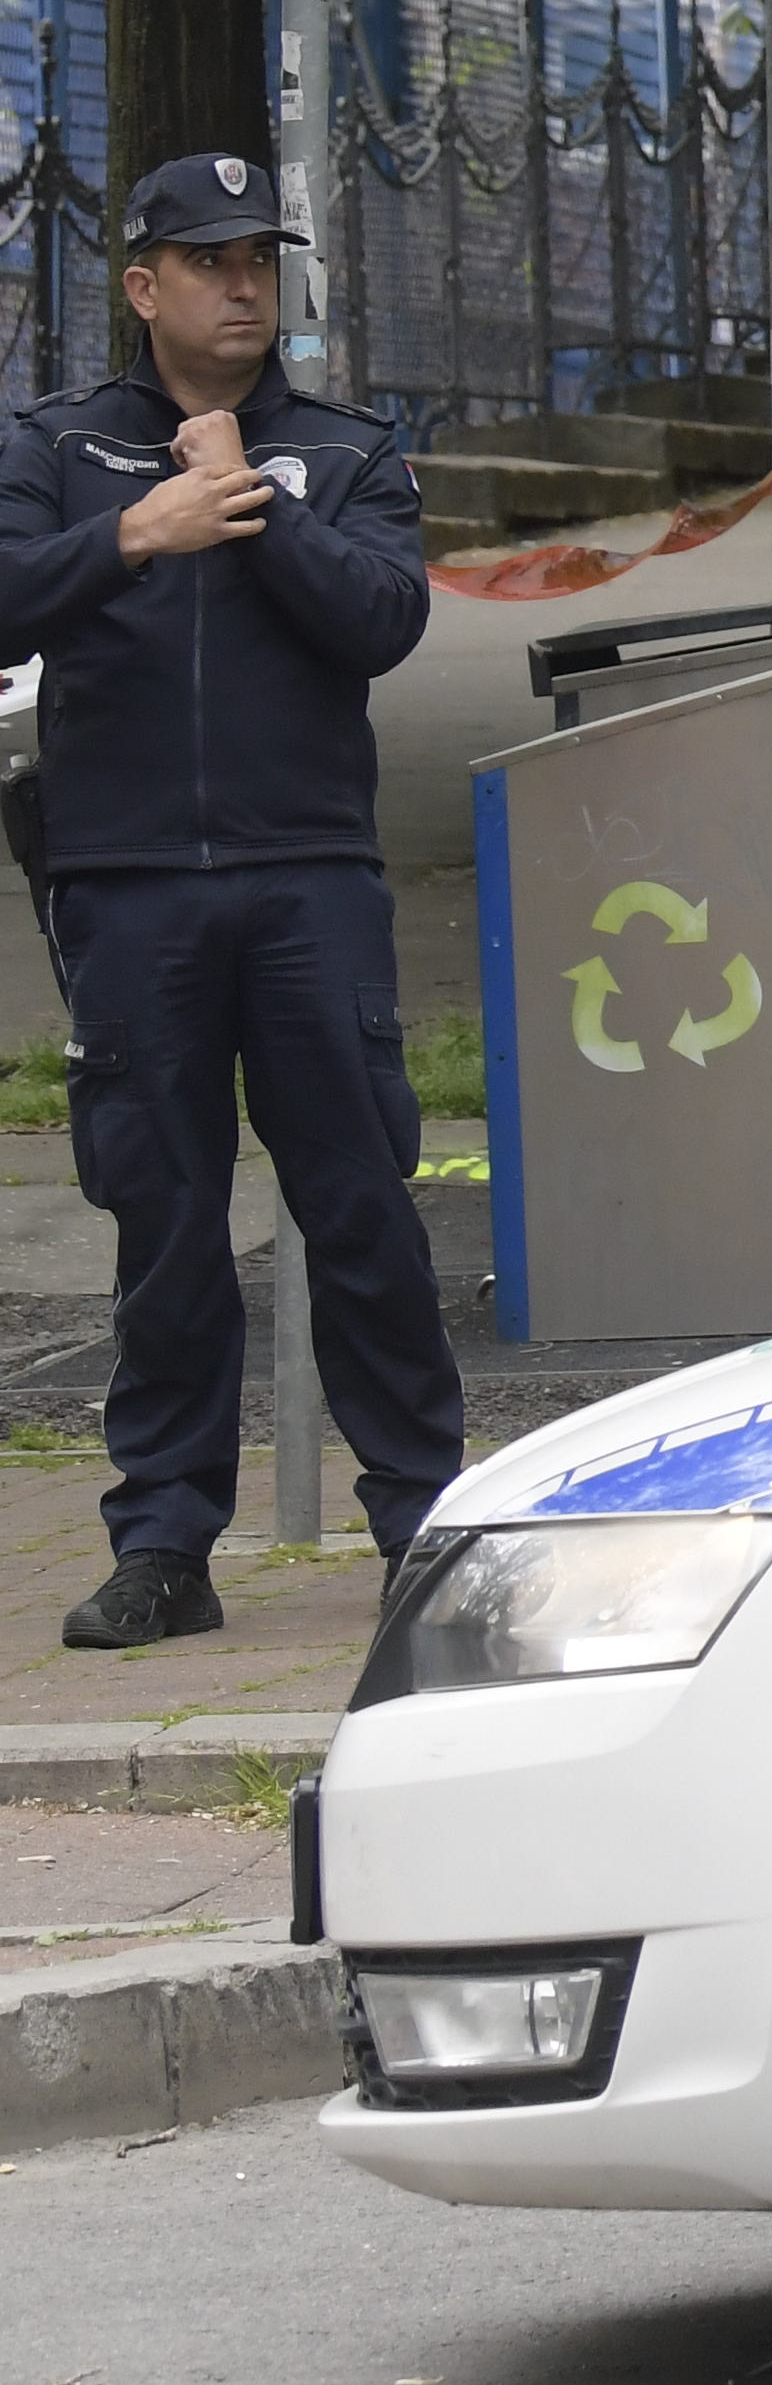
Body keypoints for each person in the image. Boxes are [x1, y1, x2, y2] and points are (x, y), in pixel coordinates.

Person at [14, 160, 463, 1643]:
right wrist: (138, 532)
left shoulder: (340, 452)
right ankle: (164, 1544)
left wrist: (255, 504)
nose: (242, 287)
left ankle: (422, 1519)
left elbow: (386, 620)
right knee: (163, 1217)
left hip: (304, 880)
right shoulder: (57, 446)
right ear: (144, 288)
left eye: (259, 259)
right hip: (129, 881)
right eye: (208, 264)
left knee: (359, 1207)